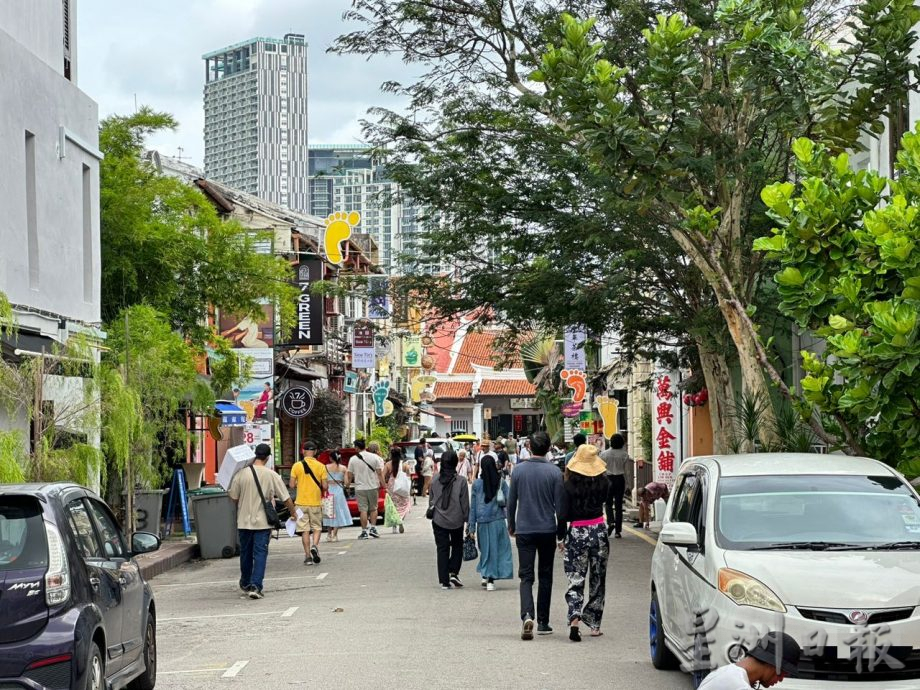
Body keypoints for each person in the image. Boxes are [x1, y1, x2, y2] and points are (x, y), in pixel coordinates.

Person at [507, 431, 565, 640]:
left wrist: (511, 525)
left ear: (529, 447)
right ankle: (543, 621)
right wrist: (561, 534)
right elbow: (560, 507)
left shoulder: (518, 471)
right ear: (549, 448)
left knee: (526, 576)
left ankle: (527, 615)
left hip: (524, 529)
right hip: (547, 529)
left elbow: (511, 501)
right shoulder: (555, 473)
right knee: (546, 575)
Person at [228, 443, 296, 599]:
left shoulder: (241, 474)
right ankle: (256, 586)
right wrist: (293, 513)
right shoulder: (271, 475)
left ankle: (245, 582)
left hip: (243, 521)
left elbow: (233, 497)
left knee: (245, 553)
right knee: (260, 554)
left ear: (255, 455)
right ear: (268, 457)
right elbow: (285, 498)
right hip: (262, 523)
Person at [558, 445, 612, 641]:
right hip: (598, 531)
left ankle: (574, 617)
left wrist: (561, 537)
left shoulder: (568, 486)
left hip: (577, 532)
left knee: (576, 577)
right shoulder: (604, 484)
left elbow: (562, 515)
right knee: (598, 578)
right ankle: (595, 625)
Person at [469, 455, 513, 590]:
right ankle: (490, 579)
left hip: (482, 522)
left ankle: (486, 575)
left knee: (486, 550)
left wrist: (471, 527)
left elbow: (473, 507)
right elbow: (509, 502)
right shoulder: (501, 482)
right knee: (498, 550)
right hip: (498, 521)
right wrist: (512, 524)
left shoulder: (477, 484)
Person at [698, 631, 801, 689]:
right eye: (783, 673)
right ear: (774, 665)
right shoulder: (739, 686)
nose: (781, 679)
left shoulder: (724, 672)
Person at [428, 449, 470, 589]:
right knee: (457, 546)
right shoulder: (461, 481)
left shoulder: (434, 480)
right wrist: (467, 519)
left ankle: (444, 581)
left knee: (442, 549)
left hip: (439, 520)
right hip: (456, 520)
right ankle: (453, 572)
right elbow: (464, 503)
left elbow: (431, 501)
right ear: (455, 463)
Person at [289, 441, 328, 565]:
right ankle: (315, 546)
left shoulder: (296, 466)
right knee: (317, 527)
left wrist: (299, 483)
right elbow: (325, 486)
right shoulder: (321, 466)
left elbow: (291, 484)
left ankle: (307, 557)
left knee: (304, 530)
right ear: (315, 452)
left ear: (303, 451)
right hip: (315, 503)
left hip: (300, 503)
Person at [347, 438, 385, 540]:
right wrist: (384, 485)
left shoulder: (353, 459)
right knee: (373, 508)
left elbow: (349, 475)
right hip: (373, 486)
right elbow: (380, 473)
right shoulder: (374, 457)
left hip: (360, 488)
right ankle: (373, 528)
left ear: (356, 447)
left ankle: (364, 531)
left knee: (363, 510)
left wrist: (347, 485)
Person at [602, 433, 635, 538]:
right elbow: (627, 472)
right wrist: (628, 486)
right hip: (619, 479)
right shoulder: (624, 455)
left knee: (608, 503)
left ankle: (610, 522)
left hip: (608, 479)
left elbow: (601, 470)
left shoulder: (604, 454)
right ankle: (618, 531)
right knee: (618, 505)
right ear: (622, 443)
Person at [323, 450, 352, 542]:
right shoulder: (343, 468)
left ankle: (328, 534)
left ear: (331, 458)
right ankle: (335, 535)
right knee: (338, 512)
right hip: (339, 491)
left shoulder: (325, 467)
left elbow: (322, 481)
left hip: (328, 490)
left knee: (328, 512)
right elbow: (347, 483)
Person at [384, 447, 412, 533]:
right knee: (404, 504)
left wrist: (384, 485)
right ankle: (400, 520)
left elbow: (383, 475)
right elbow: (409, 475)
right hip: (402, 487)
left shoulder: (388, 464)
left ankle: (394, 527)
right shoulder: (404, 464)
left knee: (393, 506)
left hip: (392, 486)